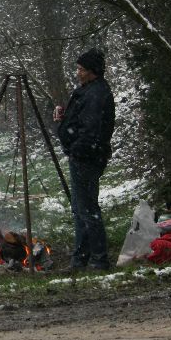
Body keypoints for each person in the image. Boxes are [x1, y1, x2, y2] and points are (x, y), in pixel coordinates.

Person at [54, 48, 115, 271]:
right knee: (81, 209)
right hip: (85, 155)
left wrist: (76, 149)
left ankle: (98, 258)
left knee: (87, 209)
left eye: (81, 69)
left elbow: (91, 130)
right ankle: (81, 258)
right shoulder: (89, 91)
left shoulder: (96, 94)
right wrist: (65, 120)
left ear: (92, 71)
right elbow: (81, 122)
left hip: (87, 157)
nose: (78, 73)